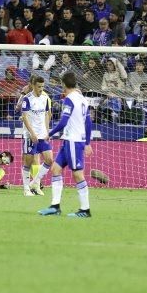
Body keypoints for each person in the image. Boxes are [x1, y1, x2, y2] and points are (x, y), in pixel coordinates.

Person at [38, 72, 92, 218]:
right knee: (55, 169)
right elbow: (88, 122)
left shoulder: (69, 99)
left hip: (73, 141)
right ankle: (55, 206)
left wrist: (49, 133)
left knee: (77, 174)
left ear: (63, 84)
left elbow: (63, 122)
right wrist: (87, 142)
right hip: (69, 140)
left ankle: (85, 210)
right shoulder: (82, 99)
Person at [19, 75, 53, 197]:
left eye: (42, 86)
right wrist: (32, 133)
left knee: (49, 159)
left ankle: (35, 182)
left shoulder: (45, 98)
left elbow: (47, 115)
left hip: (42, 134)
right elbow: (25, 117)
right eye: (39, 86)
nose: (41, 89)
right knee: (28, 161)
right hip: (30, 135)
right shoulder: (27, 99)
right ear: (33, 86)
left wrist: (47, 130)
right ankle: (26, 188)